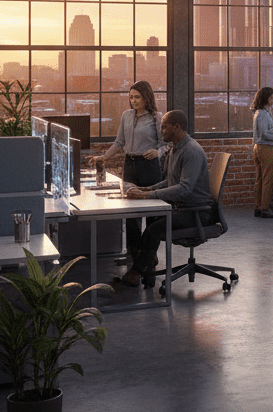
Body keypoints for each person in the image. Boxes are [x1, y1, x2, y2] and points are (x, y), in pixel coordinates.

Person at [114, 110, 214, 288]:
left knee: (153, 230)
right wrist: (145, 189)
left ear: (177, 127)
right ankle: (145, 269)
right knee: (151, 226)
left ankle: (136, 272)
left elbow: (184, 188)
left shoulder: (191, 151)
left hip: (196, 213)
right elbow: (170, 181)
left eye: (164, 127)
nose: (161, 131)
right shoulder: (175, 148)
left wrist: (148, 195)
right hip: (182, 208)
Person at [85, 80, 163, 266]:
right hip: (130, 165)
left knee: (152, 214)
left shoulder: (156, 118)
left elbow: (166, 144)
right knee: (131, 213)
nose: (133, 101)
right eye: (131, 97)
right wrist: (104, 157)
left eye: (137, 97)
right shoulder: (126, 116)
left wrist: (158, 152)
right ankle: (133, 254)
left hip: (149, 166)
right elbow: (119, 143)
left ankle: (149, 255)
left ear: (146, 98)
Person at [251, 87, 273, 218]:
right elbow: (265, 133)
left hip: (258, 148)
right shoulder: (263, 114)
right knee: (268, 179)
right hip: (266, 148)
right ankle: (265, 208)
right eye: (272, 98)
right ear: (265, 98)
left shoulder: (259, 112)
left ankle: (259, 206)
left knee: (260, 179)